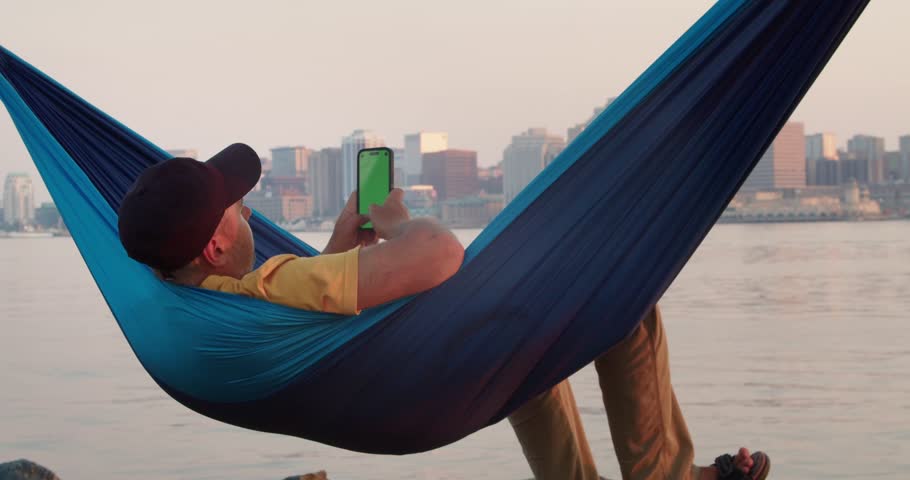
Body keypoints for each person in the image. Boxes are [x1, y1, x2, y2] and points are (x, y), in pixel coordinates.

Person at [118, 144, 768, 480]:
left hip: (394, 384)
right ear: (215, 244)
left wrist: (343, 247)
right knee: (623, 303)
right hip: (418, 383)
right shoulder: (271, 286)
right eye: (238, 208)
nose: (250, 211)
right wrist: (399, 223)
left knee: (522, 351)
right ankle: (667, 475)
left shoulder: (196, 299)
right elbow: (440, 255)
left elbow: (301, 317)